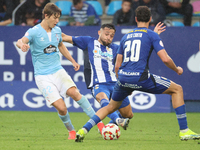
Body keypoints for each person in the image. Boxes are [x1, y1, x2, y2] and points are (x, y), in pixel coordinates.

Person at [75, 6, 200, 142]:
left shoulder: (126, 37)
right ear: (150, 19)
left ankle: (83, 130)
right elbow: (165, 58)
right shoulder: (151, 35)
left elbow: (117, 65)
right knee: (177, 89)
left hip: (123, 78)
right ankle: (184, 131)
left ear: (135, 19)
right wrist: (176, 69)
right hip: (141, 77)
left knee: (111, 107)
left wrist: (124, 83)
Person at [16, 3, 104, 140]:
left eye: (58, 18)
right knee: (62, 108)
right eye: (54, 18)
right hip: (43, 76)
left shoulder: (57, 30)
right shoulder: (34, 31)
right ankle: (71, 131)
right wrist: (22, 45)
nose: (57, 21)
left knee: (75, 93)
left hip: (58, 71)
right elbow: (20, 41)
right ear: (46, 16)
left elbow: (61, 45)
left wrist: (72, 60)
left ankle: (100, 125)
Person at [62, 24, 133, 130]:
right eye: (106, 34)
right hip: (98, 84)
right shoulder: (89, 42)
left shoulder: (116, 48)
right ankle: (118, 120)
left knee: (128, 114)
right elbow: (64, 37)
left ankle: (110, 127)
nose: (109, 37)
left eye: (111, 36)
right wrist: (50, 30)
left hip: (115, 84)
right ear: (99, 33)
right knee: (103, 99)